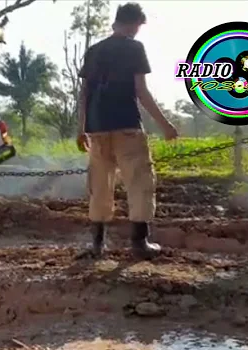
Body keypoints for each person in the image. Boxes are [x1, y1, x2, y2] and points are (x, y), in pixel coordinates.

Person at [76, 2, 179, 260]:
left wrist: (81, 129)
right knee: (140, 182)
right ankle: (139, 243)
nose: (137, 32)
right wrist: (165, 124)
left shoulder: (94, 50)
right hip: (127, 127)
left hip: (97, 129)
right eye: (137, 26)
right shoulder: (134, 48)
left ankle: (98, 245)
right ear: (132, 23)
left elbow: (84, 93)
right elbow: (140, 91)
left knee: (100, 186)